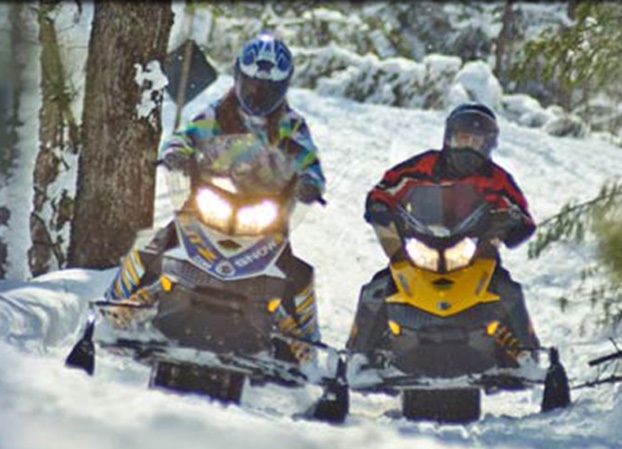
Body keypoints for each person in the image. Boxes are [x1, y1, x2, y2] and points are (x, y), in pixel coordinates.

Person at [102, 32, 326, 364]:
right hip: (210, 200)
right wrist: (177, 152)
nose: (259, 94)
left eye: (268, 89)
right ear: (239, 77)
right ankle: (117, 309)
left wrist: (310, 182)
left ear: (283, 87)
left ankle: (305, 345)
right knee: (156, 243)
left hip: (266, 211)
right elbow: (186, 136)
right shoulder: (217, 114)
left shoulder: (291, 126)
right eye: (253, 85)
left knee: (294, 272)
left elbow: (309, 160)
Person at [348, 102, 539, 353]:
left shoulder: (497, 179)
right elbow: (385, 188)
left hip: (476, 252)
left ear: (488, 145)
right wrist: (379, 205)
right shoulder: (422, 166)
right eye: (463, 139)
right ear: (449, 137)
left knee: (507, 291)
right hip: (421, 243)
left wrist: (513, 222)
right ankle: (360, 354)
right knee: (379, 288)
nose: (468, 147)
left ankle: (524, 354)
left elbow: (522, 213)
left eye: (476, 142)